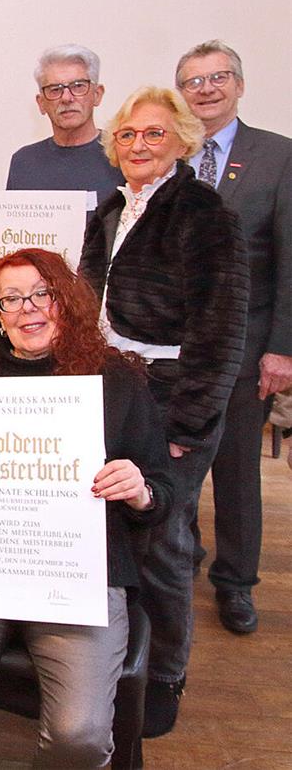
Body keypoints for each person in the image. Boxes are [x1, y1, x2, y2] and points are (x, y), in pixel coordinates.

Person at [0, 248, 174, 770]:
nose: (29, 309)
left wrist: (139, 489)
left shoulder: (116, 380)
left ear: (65, 300)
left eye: (42, 294)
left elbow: (161, 494)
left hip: (78, 579)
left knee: (80, 735)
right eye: (11, 299)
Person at [79, 86, 249, 737]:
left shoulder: (203, 212)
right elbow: (85, 305)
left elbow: (221, 327)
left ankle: (167, 670)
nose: (139, 145)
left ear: (182, 139)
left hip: (174, 392)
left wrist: (188, 424)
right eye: (128, 135)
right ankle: (121, 659)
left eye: (154, 134)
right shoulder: (110, 209)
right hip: (112, 387)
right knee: (118, 530)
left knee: (166, 541)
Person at [176, 40, 292, 636]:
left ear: (239, 85)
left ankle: (237, 583)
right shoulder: (169, 154)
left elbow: (289, 259)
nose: (206, 89)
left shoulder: (276, 156)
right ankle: (185, 557)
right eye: (194, 82)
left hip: (248, 346)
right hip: (178, 348)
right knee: (176, 460)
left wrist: (283, 347)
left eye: (218, 78)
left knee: (238, 469)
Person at [6, 44, 124, 206]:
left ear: (97, 94)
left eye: (78, 86)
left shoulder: (121, 155)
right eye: (55, 89)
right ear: (41, 103)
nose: (67, 98)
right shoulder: (24, 163)